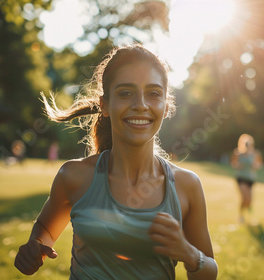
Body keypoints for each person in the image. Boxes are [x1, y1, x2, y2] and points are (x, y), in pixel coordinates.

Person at [14, 44, 218, 279]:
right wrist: (35, 246)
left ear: (166, 105)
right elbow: (45, 229)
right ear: (105, 105)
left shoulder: (187, 185)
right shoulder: (73, 176)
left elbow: (208, 273)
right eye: (125, 93)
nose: (140, 104)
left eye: (153, 93)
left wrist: (189, 254)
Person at [230, 134, 263, 223]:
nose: (248, 145)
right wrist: (237, 165)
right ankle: (241, 216)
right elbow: (233, 163)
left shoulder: (255, 153)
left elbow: (260, 164)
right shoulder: (238, 153)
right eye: (246, 144)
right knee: (244, 198)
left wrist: (256, 166)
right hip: (241, 177)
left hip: (251, 178)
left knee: (249, 201)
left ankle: (247, 208)